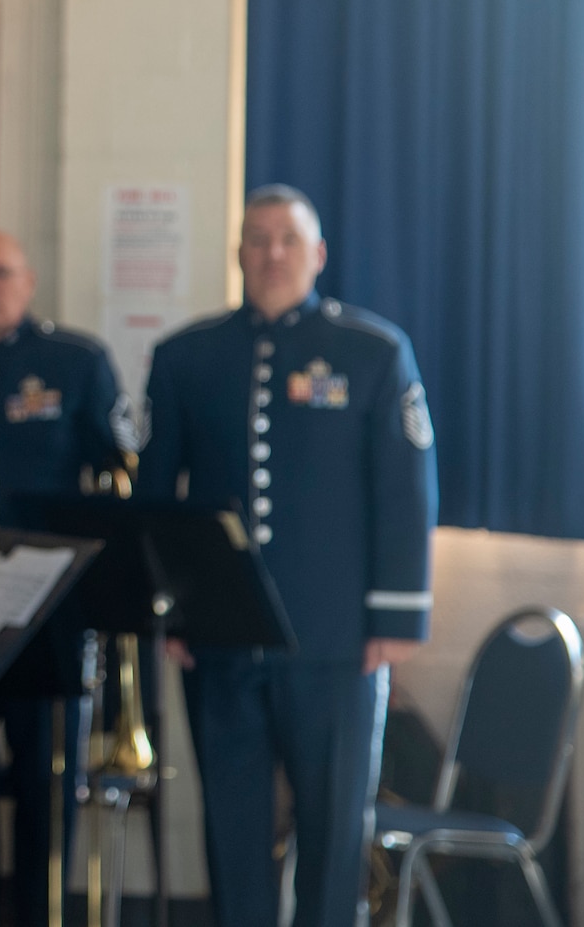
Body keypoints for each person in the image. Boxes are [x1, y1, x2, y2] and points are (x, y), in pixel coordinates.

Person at [137, 184, 437, 927]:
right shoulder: (186, 356)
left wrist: (397, 616)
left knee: (335, 829)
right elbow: (156, 498)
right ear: (239, 252)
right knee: (230, 826)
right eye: (257, 238)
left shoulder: (374, 351)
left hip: (336, 639)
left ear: (318, 255)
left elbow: (406, 490)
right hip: (221, 635)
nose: (272, 253)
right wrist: (168, 606)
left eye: (288, 240)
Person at [0, 228, 136, 927]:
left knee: (48, 781)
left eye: (0, 273)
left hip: (50, 614)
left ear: (29, 280)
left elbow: (122, 474)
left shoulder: (76, 361)